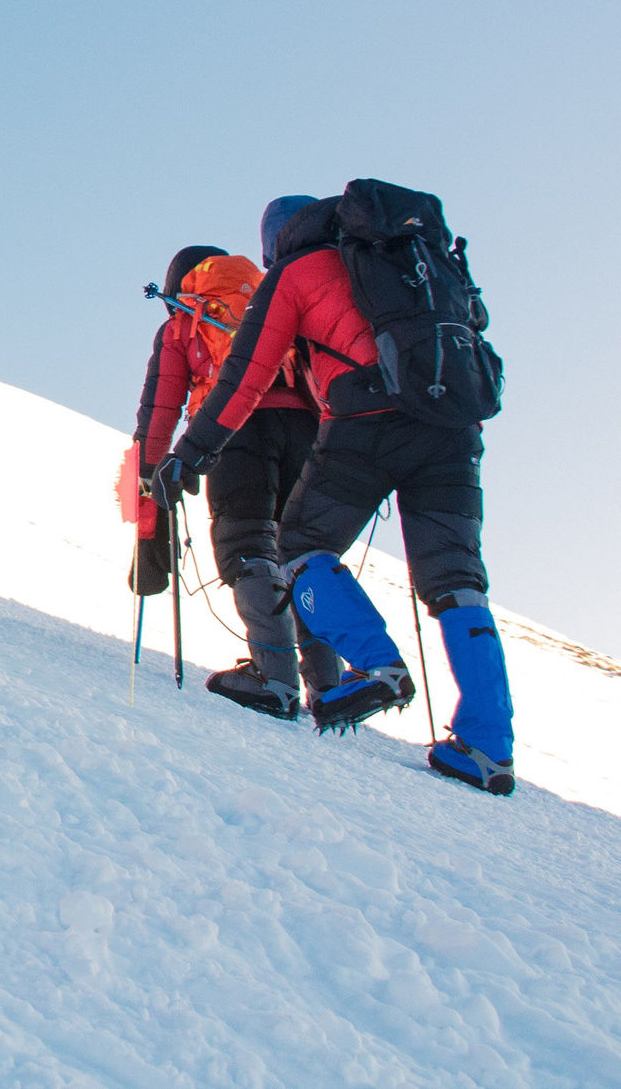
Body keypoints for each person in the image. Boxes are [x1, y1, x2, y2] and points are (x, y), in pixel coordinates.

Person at [155, 187, 516, 794]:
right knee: (456, 580)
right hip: (455, 427)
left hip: (366, 422)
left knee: (297, 547)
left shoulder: (297, 273)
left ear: (276, 242)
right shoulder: (408, 258)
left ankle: (375, 661)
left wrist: (191, 454)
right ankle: (487, 748)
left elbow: (246, 377)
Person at [135, 224, 340, 716]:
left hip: (232, 426)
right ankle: (329, 689)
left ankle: (275, 679)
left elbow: (161, 409)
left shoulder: (183, 324)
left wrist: (151, 475)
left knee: (245, 543)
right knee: (303, 552)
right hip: (307, 432)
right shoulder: (273, 300)